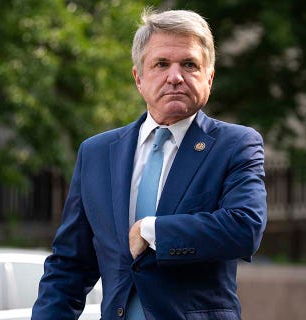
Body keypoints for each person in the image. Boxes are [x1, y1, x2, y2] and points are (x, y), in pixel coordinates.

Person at [32, 8, 267, 320]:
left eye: (189, 64)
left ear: (209, 77)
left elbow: (244, 228)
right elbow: (69, 265)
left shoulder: (235, 145)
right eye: (161, 64)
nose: (175, 76)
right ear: (138, 77)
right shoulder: (97, 152)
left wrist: (153, 230)